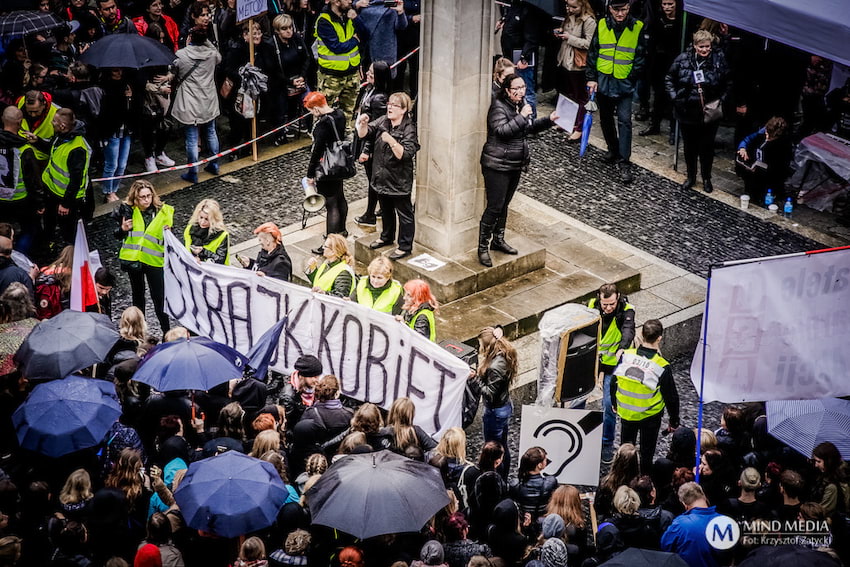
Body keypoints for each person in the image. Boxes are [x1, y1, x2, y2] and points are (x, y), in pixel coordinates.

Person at [478, 74, 557, 267]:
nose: (521, 91)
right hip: (497, 164)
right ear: (507, 90)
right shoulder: (498, 106)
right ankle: (482, 247)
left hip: (515, 163)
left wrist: (549, 120)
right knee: (494, 206)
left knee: (505, 204)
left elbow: (527, 128)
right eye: (516, 88)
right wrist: (521, 117)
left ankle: (498, 239)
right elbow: (501, 131)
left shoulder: (519, 105)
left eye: (523, 87)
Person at [585, 0, 646, 184]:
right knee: (605, 119)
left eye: (624, 9)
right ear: (610, 9)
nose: (620, 14)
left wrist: (631, 78)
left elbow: (641, 57)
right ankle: (612, 149)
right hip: (604, 81)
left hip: (624, 83)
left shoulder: (637, 27)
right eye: (617, 10)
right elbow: (593, 52)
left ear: (629, 8)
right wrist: (591, 78)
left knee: (625, 121)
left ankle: (624, 160)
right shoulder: (602, 24)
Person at [356, 91, 420, 260]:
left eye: (395, 105)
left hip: (398, 179)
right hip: (381, 176)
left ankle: (405, 246)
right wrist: (362, 124)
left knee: (404, 214)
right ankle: (386, 236)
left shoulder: (409, 128)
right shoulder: (383, 120)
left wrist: (391, 140)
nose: (390, 107)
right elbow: (365, 134)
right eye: (389, 104)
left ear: (404, 110)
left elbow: (404, 154)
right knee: (385, 210)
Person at [664, 30, 730, 193]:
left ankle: (706, 178)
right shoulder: (683, 59)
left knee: (707, 148)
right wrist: (675, 98)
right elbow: (669, 79)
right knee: (689, 147)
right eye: (701, 47)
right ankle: (691, 176)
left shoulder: (718, 60)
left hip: (709, 112)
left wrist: (721, 100)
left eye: (707, 47)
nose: (704, 50)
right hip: (687, 110)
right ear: (694, 46)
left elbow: (727, 82)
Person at [613, 319, 679, 473]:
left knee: (625, 452)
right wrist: (674, 420)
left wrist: (615, 404)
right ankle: (644, 482)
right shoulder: (661, 366)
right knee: (647, 453)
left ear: (641, 335)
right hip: (650, 416)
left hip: (627, 414)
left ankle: (623, 478)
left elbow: (614, 382)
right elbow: (671, 397)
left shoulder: (626, 356)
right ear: (659, 338)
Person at [112, 179, 173, 332]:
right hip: (134, 261)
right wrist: (123, 229)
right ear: (135, 198)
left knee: (159, 298)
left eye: (148, 196)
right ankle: (139, 331)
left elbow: (169, 239)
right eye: (142, 197)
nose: (146, 200)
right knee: (138, 297)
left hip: (154, 261)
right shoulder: (128, 211)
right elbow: (117, 236)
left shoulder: (164, 211)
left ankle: (166, 331)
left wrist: (169, 233)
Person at [587, 283, 635, 464]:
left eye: (611, 304)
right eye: (604, 304)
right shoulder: (592, 305)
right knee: (577, 398)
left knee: (608, 404)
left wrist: (622, 348)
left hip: (612, 365)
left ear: (618, 298)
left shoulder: (626, 310)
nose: (607, 308)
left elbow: (628, 331)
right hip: (591, 360)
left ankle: (607, 443)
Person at [171, 25, 221, 184]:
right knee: (211, 132)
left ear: (190, 38)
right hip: (208, 99)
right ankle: (214, 164)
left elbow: (175, 70)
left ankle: (193, 172)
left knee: (192, 139)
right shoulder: (212, 55)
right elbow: (217, 53)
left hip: (189, 101)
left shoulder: (181, 55)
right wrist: (206, 41)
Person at [40, 108, 92, 247]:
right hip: (52, 190)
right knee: (49, 219)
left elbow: (76, 180)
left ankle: (70, 251)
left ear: (62, 126)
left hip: (65, 197)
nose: (51, 122)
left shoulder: (77, 148)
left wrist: (66, 204)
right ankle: (48, 242)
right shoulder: (60, 136)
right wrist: (36, 141)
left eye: (54, 121)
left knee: (68, 227)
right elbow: (52, 149)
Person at [304, 92, 349, 243]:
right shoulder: (340, 114)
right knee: (340, 197)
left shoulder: (322, 125)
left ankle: (330, 242)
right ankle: (342, 231)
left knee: (331, 203)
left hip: (326, 167)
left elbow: (316, 152)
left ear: (316, 109)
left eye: (311, 111)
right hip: (340, 163)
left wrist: (310, 175)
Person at [473, 326, 517, 478]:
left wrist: (475, 379)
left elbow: (490, 394)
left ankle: (496, 477)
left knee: (494, 449)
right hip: (503, 407)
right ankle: (503, 476)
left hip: (495, 412)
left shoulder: (495, 367)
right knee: (502, 445)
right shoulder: (502, 355)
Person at [314, 0, 366, 124]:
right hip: (331, 76)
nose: (350, 1)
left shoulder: (350, 14)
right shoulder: (324, 20)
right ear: (336, 2)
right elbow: (336, 47)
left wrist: (356, 19)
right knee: (322, 113)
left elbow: (365, 34)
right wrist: (355, 40)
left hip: (351, 73)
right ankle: (322, 141)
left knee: (348, 114)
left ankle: (346, 141)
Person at [353, 61, 391, 227]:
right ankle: (382, 208)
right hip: (363, 138)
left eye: (372, 74)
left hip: (371, 144)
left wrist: (367, 150)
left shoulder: (379, 98)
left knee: (373, 181)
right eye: (368, 72)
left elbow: (377, 127)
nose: (368, 75)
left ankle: (370, 214)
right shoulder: (369, 90)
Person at [0, 106, 42, 256]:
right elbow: (33, 179)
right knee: (30, 229)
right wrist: (39, 202)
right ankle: (18, 256)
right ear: (19, 123)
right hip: (20, 199)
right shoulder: (24, 149)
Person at [638, 0, 681, 140]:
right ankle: (654, 124)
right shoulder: (658, 19)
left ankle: (674, 130)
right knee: (658, 95)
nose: (667, 7)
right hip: (658, 62)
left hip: (675, 62)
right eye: (664, 4)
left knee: (674, 97)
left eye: (670, 4)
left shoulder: (681, 20)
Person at [554, 0, 596, 141]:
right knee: (569, 94)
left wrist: (569, 38)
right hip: (565, 59)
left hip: (578, 64)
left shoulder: (589, 21)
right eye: (568, 5)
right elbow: (567, 32)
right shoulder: (568, 17)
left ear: (582, 5)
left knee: (581, 97)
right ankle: (567, 121)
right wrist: (561, 32)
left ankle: (579, 128)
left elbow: (590, 43)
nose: (570, 9)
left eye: (574, 7)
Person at [268, 14, 311, 146]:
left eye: (290, 27)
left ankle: (310, 128)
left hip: (299, 77)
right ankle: (280, 135)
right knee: (281, 110)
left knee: (310, 102)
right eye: (284, 29)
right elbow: (272, 70)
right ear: (277, 30)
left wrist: (302, 76)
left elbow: (306, 58)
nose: (289, 31)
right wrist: (290, 82)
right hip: (282, 82)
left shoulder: (296, 39)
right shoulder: (271, 45)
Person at [660, 482, 724, 567]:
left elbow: (665, 546)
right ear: (704, 497)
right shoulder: (724, 522)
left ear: (684, 504)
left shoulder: (679, 524)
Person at [98, 67, 137, 203]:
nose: (119, 73)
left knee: (122, 164)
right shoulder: (106, 88)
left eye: (120, 70)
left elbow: (131, 110)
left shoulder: (126, 85)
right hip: (113, 131)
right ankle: (108, 192)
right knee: (111, 164)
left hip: (126, 130)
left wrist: (130, 98)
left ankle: (113, 189)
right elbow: (108, 112)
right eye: (115, 71)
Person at [735, 116, 793, 205]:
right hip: (755, 169)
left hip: (769, 175)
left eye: (770, 137)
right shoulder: (762, 132)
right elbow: (747, 139)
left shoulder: (783, 146)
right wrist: (742, 148)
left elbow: (780, 168)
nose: (767, 138)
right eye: (766, 134)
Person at [510, 446, 558, 536]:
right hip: (543, 524)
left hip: (521, 526)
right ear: (539, 465)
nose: (546, 461)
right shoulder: (550, 482)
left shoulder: (515, 484)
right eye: (545, 460)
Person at [306, 233, 354, 298]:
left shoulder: (344, 273)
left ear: (333, 252)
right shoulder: (327, 263)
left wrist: (324, 293)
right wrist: (313, 269)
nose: (323, 248)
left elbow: (341, 297)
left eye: (325, 246)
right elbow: (318, 283)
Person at [280, 354, 323, 426]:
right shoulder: (288, 397)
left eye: (318, 376)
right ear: (304, 376)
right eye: (314, 377)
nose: (317, 381)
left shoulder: (312, 388)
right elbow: (287, 424)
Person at [183, 198, 230, 265]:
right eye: (201, 217)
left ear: (213, 219)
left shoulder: (222, 235)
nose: (202, 222)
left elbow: (220, 260)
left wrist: (203, 252)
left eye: (207, 219)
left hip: (215, 273)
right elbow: (183, 248)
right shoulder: (189, 229)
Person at [811, 442, 850, 517]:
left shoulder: (832, 486)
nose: (816, 465)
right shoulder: (828, 475)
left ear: (828, 461)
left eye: (818, 461)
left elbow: (822, 511)